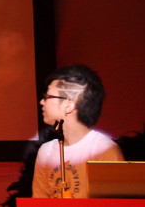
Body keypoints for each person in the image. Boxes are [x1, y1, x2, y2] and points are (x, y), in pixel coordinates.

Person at [32, 64, 124, 198]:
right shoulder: (46, 151)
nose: (42, 102)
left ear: (69, 105)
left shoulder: (103, 149)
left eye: (48, 96)